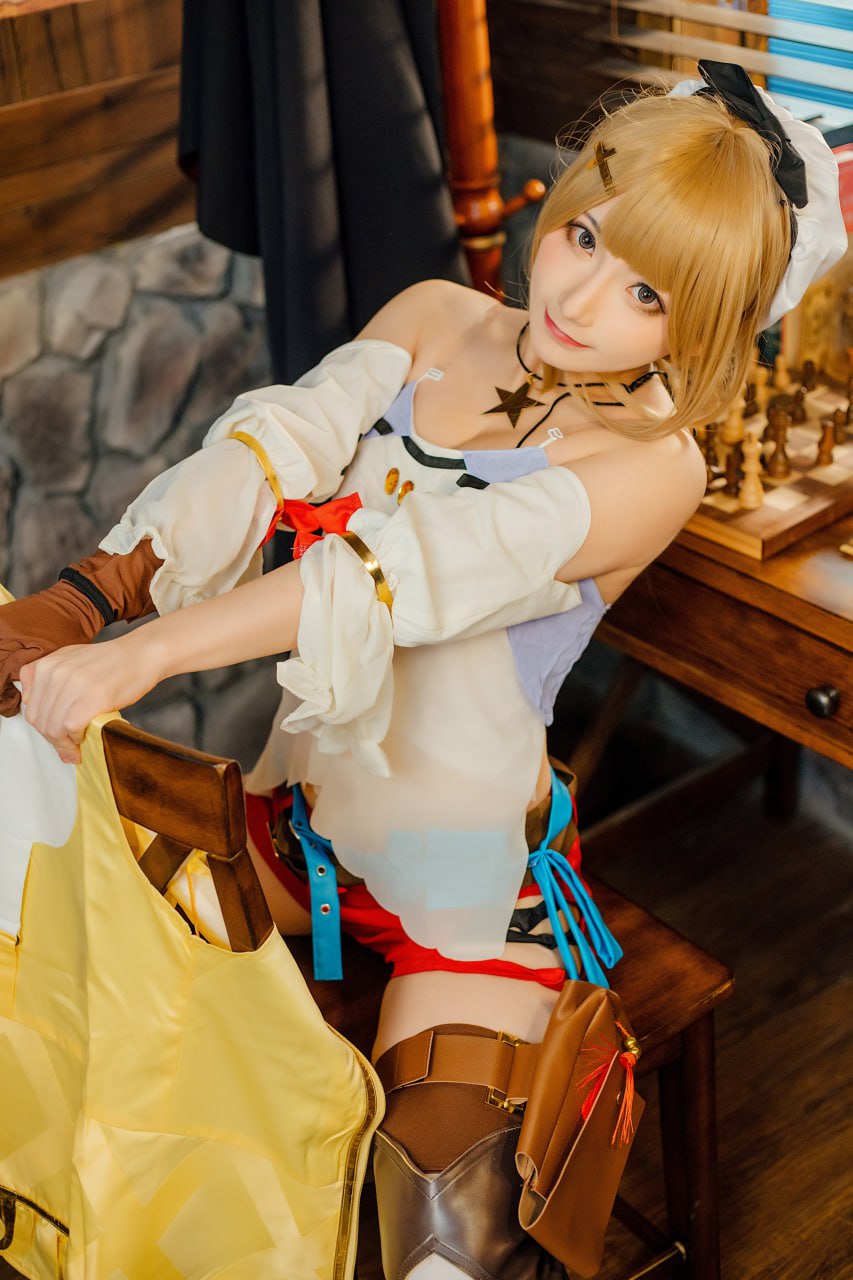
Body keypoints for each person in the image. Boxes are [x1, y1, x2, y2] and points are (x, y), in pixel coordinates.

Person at [3, 63, 846, 1279]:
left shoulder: (652, 467)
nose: (580, 296)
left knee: (444, 1240)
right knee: (78, 1020)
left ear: (701, 327)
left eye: (647, 292)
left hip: (462, 888)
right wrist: (92, 592)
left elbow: (395, 574)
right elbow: (271, 447)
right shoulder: (432, 315)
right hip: (288, 835)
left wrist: (142, 653)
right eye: (587, 237)